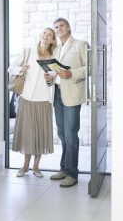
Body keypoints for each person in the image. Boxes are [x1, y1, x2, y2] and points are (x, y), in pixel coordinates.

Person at [44, 17, 88, 187]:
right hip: (57, 94)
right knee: (62, 133)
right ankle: (64, 168)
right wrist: (49, 77)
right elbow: (55, 73)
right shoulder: (56, 50)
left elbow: (90, 67)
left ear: (68, 27)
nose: (58, 28)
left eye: (61, 25)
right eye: (56, 27)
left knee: (70, 133)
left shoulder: (80, 44)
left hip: (72, 94)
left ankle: (72, 173)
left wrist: (72, 73)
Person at [8, 28, 56, 178]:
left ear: (52, 40)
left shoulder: (53, 57)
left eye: (49, 35)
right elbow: (11, 68)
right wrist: (20, 69)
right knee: (27, 133)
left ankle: (36, 167)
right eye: (44, 33)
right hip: (27, 98)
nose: (45, 36)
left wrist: (50, 80)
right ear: (40, 36)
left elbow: (53, 80)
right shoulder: (27, 51)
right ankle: (24, 166)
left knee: (41, 133)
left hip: (44, 100)